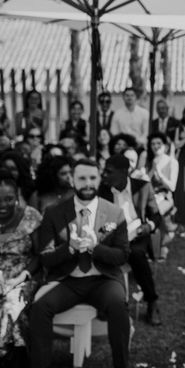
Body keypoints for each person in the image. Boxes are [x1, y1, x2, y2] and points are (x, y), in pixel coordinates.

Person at [30, 158, 130, 368]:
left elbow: (122, 256)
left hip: (103, 280)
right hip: (67, 281)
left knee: (118, 304)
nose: (87, 183)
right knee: (40, 307)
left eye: (92, 178)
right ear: (72, 180)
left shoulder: (114, 213)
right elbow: (45, 257)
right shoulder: (54, 212)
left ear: (99, 178)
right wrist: (69, 249)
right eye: (81, 178)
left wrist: (96, 248)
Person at [99, 154, 162, 326]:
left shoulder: (143, 187)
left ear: (124, 172)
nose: (104, 175)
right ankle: (108, 303)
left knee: (136, 254)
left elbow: (156, 216)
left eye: (109, 171)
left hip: (137, 236)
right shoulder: (102, 190)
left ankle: (152, 301)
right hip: (112, 237)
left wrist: (148, 227)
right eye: (104, 170)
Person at [0, 172, 42, 367]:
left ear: (17, 197)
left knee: (11, 306)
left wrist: (22, 277)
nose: (3, 205)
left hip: (25, 275)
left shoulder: (30, 216)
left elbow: (40, 255)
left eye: (9, 199)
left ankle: (15, 356)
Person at [147, 132, 179, 260]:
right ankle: (150, 247)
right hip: (150, 196)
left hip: (165, 197)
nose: (156, 146)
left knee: (157, 212)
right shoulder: (149, 161)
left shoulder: (172, 162)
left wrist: (159, 174)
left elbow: (172, 186)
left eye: (158, 143)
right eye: (153, 144)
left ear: (165, 146)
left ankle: (163, 246)